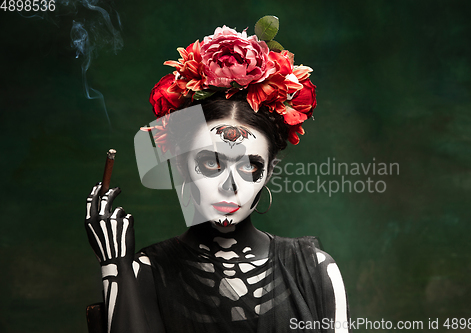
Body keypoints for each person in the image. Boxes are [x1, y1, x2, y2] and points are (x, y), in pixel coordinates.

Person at [84, 20, 350, 333]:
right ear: (182, 165)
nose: (230, 185)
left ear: (269, 172)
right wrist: (115, 264)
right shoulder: (147, 272)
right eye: (211, 164)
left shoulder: (316, 270)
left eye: (250, 166)